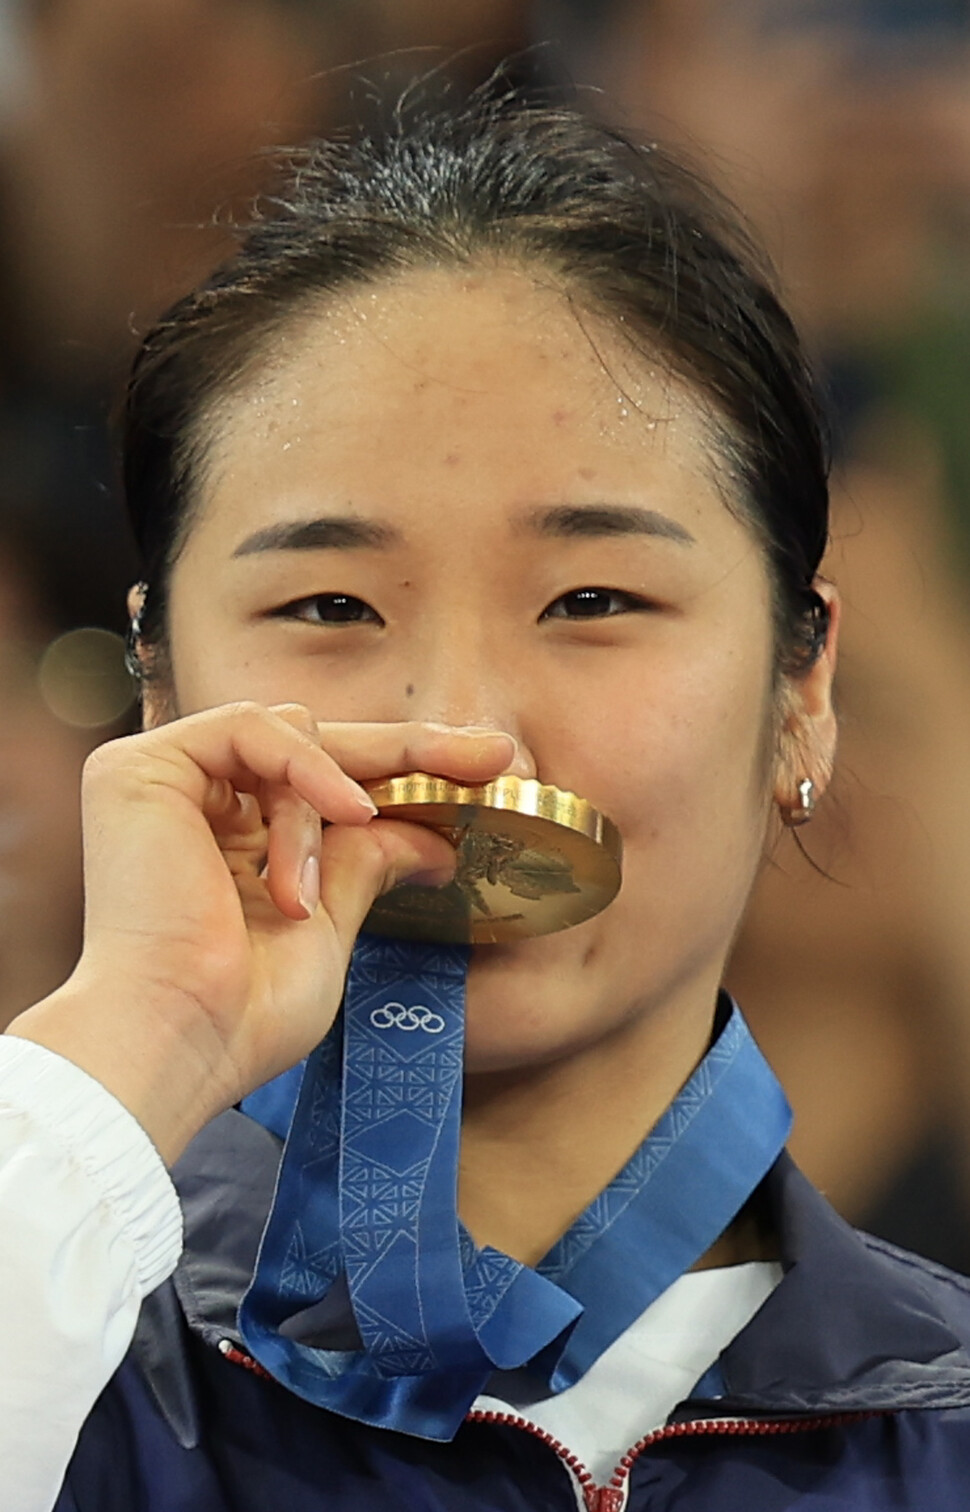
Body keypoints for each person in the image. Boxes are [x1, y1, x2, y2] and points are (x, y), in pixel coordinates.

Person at [3, 86, 970, 1512]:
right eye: (328, 602)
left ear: (799, 686)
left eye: (592, 598)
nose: (456, 728)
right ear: (162, 692)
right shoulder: (60, 1360)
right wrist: (127, 1046)